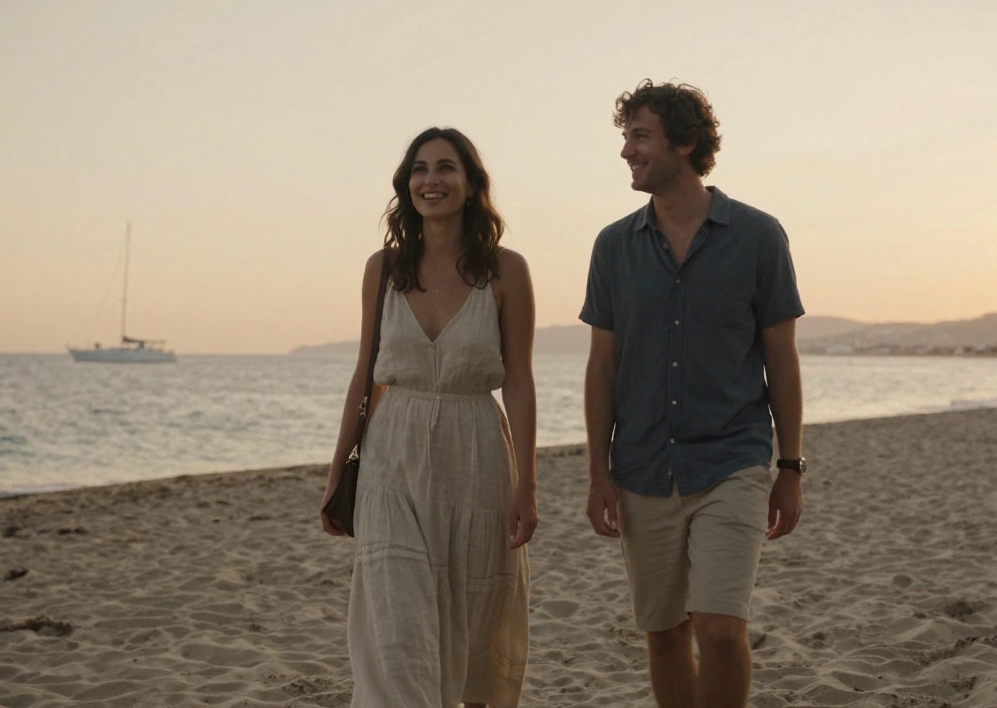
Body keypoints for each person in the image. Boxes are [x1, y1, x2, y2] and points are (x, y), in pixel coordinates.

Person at [581, 80, 806, 708]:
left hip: (731, 459)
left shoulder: (759, 236)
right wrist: (597, 471)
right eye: (625, 137)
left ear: (684, 142)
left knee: (720, 626)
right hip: (642, 467)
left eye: (640, 137)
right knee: (664, 633)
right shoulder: (612, 246)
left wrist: (790, 467)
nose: (627, 151)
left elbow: (781, 360)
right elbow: (603, 367)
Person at [320, 127, 538, 708]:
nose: (430, 180)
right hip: (392, 458)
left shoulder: (507, 271)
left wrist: (527, 484)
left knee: (473, 630)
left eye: (445, 168)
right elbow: (365, 375)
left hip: (477, 457)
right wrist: (339, 471)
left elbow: (518, 380)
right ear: (406, 185)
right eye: (419, 169)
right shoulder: (383, 268)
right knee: (397, 631)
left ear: (470, 186)